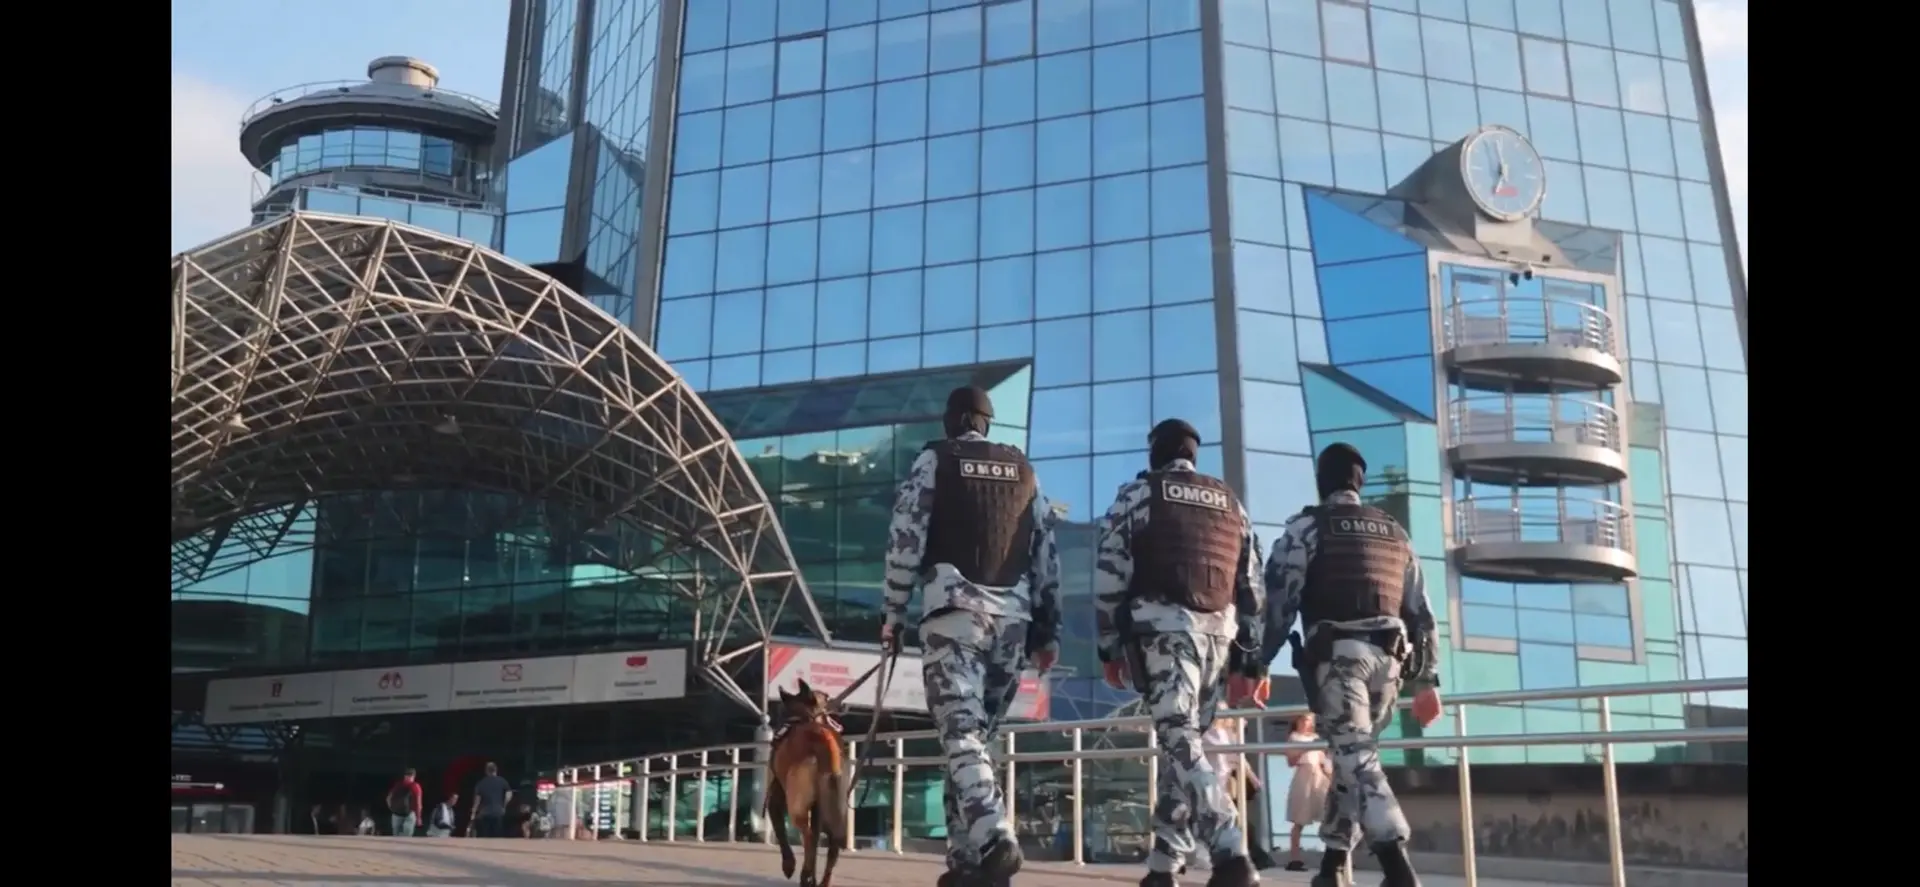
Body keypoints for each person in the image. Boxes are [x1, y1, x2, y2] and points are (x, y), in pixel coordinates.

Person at [882, 385, 1062, 887]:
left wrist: (892, 613)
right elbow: (1047, 555)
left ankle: (995, 837)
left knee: (961, 735)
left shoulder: (935, 460)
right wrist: (1048, 631)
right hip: (1013, 622)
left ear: (954, 420)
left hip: (955, 615)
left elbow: (905, 539)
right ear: (986, 422)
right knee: (975, 744)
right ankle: (966, 864)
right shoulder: (1024, 470)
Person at [1256, 443, 1444, 887]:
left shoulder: (1307, 527)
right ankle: (1333, 866)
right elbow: (1421, 612)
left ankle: (1397, 865)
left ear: (1322, 482)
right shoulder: (1394, 533)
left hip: (1341, 660)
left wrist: (1256, 662)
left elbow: (1278, 602)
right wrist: (1428, 680)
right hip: (1390, 665)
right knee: (1351, 757)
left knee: (1356, 759)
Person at [1094, 418, 1267, 887]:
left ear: (1155, 453)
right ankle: (1163, 865)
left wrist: (1109, 646)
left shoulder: (1138, 495)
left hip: (1164, 633)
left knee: (1179, 739)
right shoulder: (1230, 502)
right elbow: (1252, 584)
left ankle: (1230, 850)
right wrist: (1250, 657)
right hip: (1219, 639)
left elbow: (1110, 573)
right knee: (1183, 745)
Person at [1281, 713, 1333, 872]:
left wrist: (1332, 778)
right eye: (1303, 720)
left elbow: (1323, 761)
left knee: (1328, 815)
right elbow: (1291, 761)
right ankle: (1294, 858)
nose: (1306, 723)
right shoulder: (1294, 737)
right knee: (1300, 819)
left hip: (1319, 776)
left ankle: (1332, 856)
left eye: (1309, 720)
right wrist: (1306, 748)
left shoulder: (1316, 737)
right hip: (1304, 775)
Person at [469, 762, 513, 838]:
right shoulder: (502, 781)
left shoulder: (481, 783)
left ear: (486, 771)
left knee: (485, 836)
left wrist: (473, 812)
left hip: (485, 813)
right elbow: (509, 793)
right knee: (497, 836)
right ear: (496, 770)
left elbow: (477, 800)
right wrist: (504, 806)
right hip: (498, 812)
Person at [383, 768, 423, 837]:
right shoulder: (415, 786)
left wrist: (391, 808)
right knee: (407, 837)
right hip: (408, 814)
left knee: (396, 837)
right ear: (413, 776)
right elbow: (418, 803)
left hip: (396, 814)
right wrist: (418, 817)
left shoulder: (398, 785)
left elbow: (388, 798)